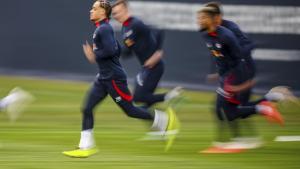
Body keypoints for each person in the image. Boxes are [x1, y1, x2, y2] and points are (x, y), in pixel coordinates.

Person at [62, 0, 179, 158]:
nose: (91, 11)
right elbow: (117, 49)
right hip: (103, 78)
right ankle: (86, 147)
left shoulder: (104, 29)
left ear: (103, 13)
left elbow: (110, 50)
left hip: (113, 79)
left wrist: (94, 55)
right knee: (87, 108)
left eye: (94, 8)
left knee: (130, 110)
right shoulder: (102, 29)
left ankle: (162, 119)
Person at [197, 6, 285, 153]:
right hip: (226, 76)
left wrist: (241, 83)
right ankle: (265, 104)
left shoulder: (226, 34)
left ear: (214, 19)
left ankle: (226, 142)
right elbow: (217, 55)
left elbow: (240, 59)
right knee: (225, 111)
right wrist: (217, 73)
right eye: (199, 18)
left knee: (224, 109)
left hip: (235, 75)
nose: (199, 20)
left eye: (203, 17)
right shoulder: (206, 34)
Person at [112, 0, 182, 110]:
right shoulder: (125, 28)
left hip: (155, 66)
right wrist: (115, 52)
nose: (115, 16)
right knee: (143, 103)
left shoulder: (136, 23)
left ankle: (169, 96)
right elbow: (128, 51)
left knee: (139, 97)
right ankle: (159, 116)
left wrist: (158, 51)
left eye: (117, 12)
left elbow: (159, 31)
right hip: (147, 67)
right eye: (114, 14)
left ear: (125, 10)